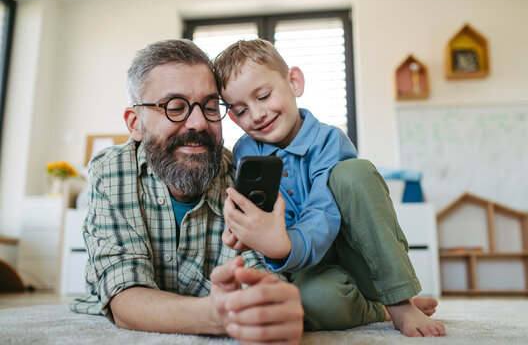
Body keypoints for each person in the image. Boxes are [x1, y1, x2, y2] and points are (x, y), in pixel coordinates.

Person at [70, 39, 304, 344]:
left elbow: (258, 276)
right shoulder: (111, 171)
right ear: (135, 124)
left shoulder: (239, 176)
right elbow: (124, 296)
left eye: (209, 107)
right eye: (175, 107)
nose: (198, 122)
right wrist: (217, 315)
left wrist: (268, 304)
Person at [213, 39, 446, 337]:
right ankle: (380, 311)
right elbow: (257, 210)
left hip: (360, 259)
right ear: (232, 117)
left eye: (264, 96)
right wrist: (245, 231)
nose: (257, 114)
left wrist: (283, 244)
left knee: (354, 173)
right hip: (311, 271)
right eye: (241, 110)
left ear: (294, 82)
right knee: (311, 303)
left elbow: (322, 212)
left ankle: (399, 302)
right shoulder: (245, 152)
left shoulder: (329, 141)